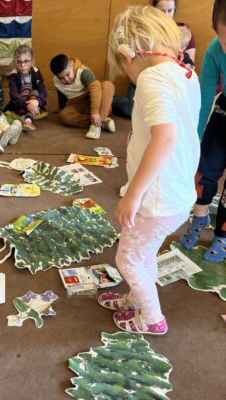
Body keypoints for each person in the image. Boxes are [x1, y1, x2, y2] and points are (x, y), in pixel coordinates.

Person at [98, 6, 200, 335]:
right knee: (144, 255)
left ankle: (152, 318)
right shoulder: (186, 73)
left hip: (157, 197)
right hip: (178, 193)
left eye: (123, 67)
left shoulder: (151, 78)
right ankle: (137, 299)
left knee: (128, 259)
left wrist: (133, 194)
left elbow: (165, 137)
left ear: (127, 53)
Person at [179, 0, 226, 262]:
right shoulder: (215, 50)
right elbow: (205, 95)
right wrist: (194, 138)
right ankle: (200, 218)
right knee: (205, 168)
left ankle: (223, 235)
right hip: (223, 112)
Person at [112, 0, 195, 119]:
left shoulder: (183, 33)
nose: (166, 15)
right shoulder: (145, 32)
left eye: (170, 10)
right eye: (162, 11)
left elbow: (165, 129)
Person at [50, 54, 115, 140]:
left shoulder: (83, 72)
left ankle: (97, 123)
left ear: (71, 65)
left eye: (68, 74)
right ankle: (101, 123)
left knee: (108, 85)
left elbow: (95, 88)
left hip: (94, 99)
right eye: (62, 78)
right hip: (77, 103)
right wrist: (61, 107)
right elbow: (61, 94)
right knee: (64, 116)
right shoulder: (56, 81)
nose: (66, 79)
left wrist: (95, 112)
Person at [5, 45, 47, 132]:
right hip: (19, 104)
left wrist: (37, 101)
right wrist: (27, 105)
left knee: (35, 91)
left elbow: (43, 91)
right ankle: (26, 118)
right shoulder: (13, 76)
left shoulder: (36, 72)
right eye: (19, 62)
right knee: (26, 88)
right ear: (15, 63)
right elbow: (14, 95)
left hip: (34, 101)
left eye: (26, 61)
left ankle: (27, 121)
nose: (23, 65)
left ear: (32, 62)